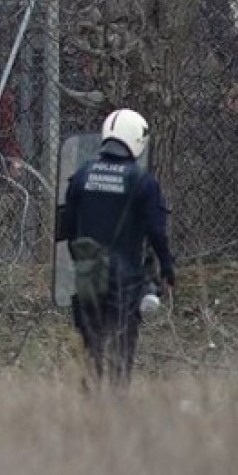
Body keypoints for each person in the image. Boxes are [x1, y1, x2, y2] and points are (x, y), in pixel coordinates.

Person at [58, 108, 175, 389]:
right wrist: (167, 266)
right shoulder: (142, 181)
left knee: (90, 348)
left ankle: (89, 402)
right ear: (137, 139)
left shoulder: (82, 176)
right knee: (121, 350)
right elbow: (156, 231)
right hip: (126, 279)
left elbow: (66, 228)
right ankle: (116, 403)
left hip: (88, 276)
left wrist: (81, 259)